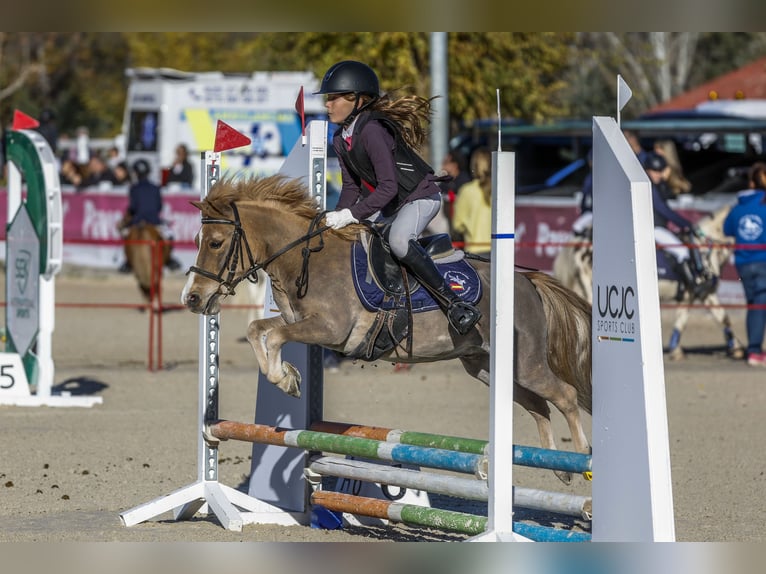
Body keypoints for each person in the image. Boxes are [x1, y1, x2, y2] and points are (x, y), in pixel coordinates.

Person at [315, 60, 481, 335]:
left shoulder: (372, 131)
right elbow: (351, 188)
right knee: (360, 238)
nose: (327, 105)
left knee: (399, 241)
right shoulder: (340, 138)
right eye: (328, 98)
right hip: (395, 202)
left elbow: (388, 187)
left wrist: (350, 214)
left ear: (357, 100)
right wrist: (338, 220)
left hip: (421, 196)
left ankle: (455, 304)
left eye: (333, 98)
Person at [645, 152, 715, 300]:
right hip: (653, 228)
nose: (657, 174)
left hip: (658, 227)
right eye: (654, 171)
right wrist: (686, 224)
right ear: (647, 170)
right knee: (682, 251)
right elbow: (663, 209)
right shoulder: (649, 187)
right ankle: (694, 286)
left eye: (659, 171)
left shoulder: (657, 185)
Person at [723, 162, 766, 367]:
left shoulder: (738, 206)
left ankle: (754, 350)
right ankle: (755, 350)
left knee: (754, 305)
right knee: (758, 306)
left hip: (743, 263)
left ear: (750, 182)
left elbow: (727, 229)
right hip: (763, 261)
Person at [118, 159, 182, 273]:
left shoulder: (134, 188)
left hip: (138, 221)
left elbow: (133, 207)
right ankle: (169, 259)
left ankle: (128, 261)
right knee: (169, 235)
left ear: (136, 173)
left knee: (125, 233)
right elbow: (159, 207)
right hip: (154, 221)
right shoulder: (155, 187)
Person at [451, 146, 492, 257]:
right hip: (498, 250)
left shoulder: (466, 190)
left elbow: (457, 225)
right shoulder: (499, 190)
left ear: (474, 166)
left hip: (475, 251)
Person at [438, 149, 471, 238]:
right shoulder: (445, 183)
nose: (442, 166)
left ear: (454, 165)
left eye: (445, 163)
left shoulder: (465, 183)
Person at [571, 149, 593, 237]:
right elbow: (585, 196)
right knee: (577, 228)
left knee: (578, 227)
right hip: (590, 211)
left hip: (598, 212)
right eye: (590, 160)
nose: (590, 163)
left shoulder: (601, 176)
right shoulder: (589, 177)